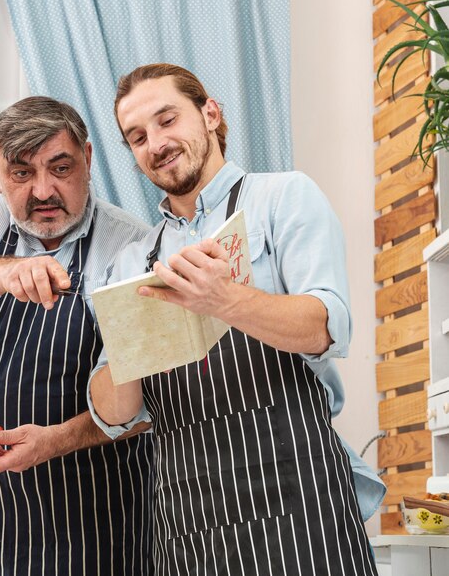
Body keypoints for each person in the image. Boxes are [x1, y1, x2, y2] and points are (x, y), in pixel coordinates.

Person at [88, 63, 385, 576]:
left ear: (210, 113)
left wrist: (223, 300)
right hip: (189, 514)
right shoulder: (132, 264)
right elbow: (115, 415)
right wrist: (133, 342)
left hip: (298, 496)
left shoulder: (283, 198)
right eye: (137, 137)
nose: (155, 143)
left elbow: (326, 325)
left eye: (167, 120)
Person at [0, 96, 153, 576]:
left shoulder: (130, 246)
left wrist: (51, 442)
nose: (43, 190)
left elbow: (145, 404)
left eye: (60, 167)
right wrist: (8, 273)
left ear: (88, 159)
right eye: (21, 173)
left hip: (99, 513)